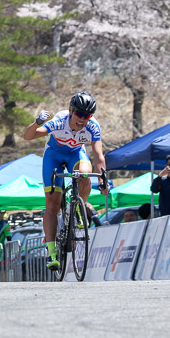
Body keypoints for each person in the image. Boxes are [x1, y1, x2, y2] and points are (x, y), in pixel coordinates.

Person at [23, 92, 108, 271]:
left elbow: (98, 156)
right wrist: (37, 123)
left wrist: (103, 178)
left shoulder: (93, 127)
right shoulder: (59, 121)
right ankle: (52, 252)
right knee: (52, 205)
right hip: (53, 156)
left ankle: (76, 207)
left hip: (75, 155)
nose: (82, 119)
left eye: (87, 115)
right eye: (79, 114)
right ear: (71, 110)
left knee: (85, 175)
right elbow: (29, 136)